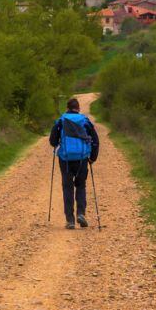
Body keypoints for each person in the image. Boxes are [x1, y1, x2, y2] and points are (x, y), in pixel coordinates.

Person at [49, 97, 99, 229]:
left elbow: (52, 141)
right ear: (78, 108)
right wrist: (92, 158)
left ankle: (70, 220)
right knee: (81, 186)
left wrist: (58, 144)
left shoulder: (61, 121)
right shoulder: (85, 121)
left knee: (67, 188)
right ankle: (81, 213)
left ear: (67, 108)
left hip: (65, 159)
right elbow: (95, 140)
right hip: (82, 159)